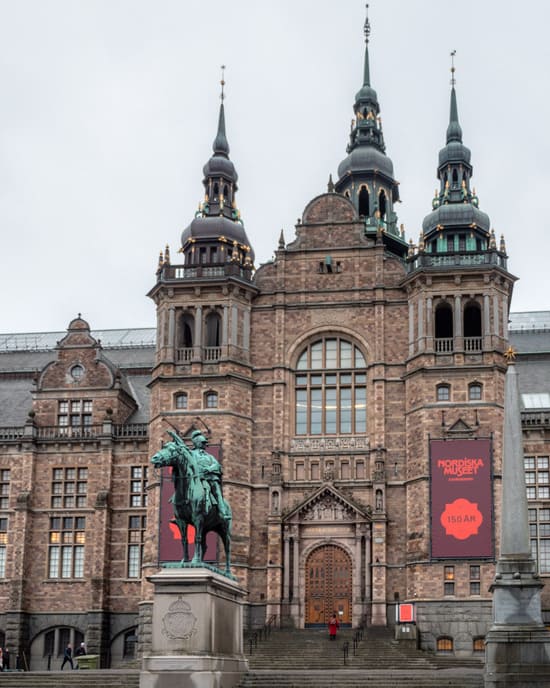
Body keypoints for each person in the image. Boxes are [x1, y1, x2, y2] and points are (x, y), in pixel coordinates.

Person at [189, 430, 229, 518]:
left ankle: (222, 512)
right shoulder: (191, 454)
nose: (204, 445)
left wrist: (209, 469)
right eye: (202, 443)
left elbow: (217, 465)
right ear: (196, 443)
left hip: (210, 478)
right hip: (196, 478)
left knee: (217, 492)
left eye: (204, 443)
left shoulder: (209, 456)